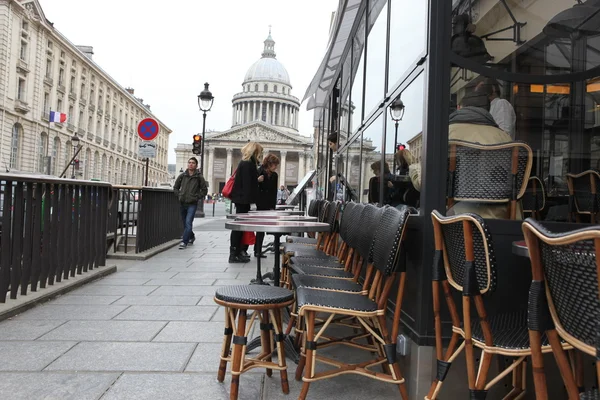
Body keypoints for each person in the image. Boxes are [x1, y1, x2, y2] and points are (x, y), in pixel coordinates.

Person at [397, 90, 514, 218]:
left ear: (459, 108)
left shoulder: (443, 134)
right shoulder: (505, 138)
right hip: (504, 215)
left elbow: (423, 183)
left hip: (457, 217)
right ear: (487, 110)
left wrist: (414, 166)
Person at [229, 141, 263, 263]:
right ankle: (234, 254)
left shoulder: (244, 163)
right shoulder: (248, 164)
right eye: (259, 152)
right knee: (239, 228)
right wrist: (254, 202)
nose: (260, 155)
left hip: (240, 199)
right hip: (244, 200)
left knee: (239, 227)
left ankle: (236, 252)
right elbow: (248, 185)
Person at [173, 157, 208, 249]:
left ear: (196, 165)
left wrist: (196, 197)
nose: (190, 164)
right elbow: (175, 187)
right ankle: (191, 236)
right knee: (185, 223)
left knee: (188, 222)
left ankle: (184, 242)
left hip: (192, 203)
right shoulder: (182, 176)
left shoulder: (199, 177)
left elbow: (204, 190)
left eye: (192, 163)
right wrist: (179, 195)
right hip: (182, 202)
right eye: (189, 163)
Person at [255, 153, 280, 258]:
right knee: (260, 229)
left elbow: (274, 192)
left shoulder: (275, 175)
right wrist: (257, 181)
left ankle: (259, 249)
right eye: (275, 165)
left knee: (265, 228)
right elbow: (252, 186)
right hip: (259, 204)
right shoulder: (259, 172)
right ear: (269, 164)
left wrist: (273, 207)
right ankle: (257, 250)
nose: (276, 167)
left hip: (269, 204)